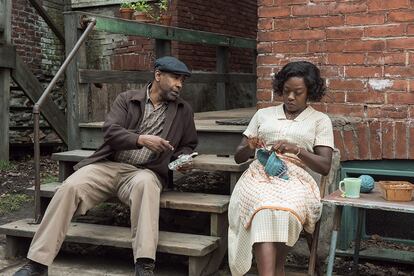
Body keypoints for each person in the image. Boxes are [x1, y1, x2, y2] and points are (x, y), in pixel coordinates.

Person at [14, 56, 198, 276]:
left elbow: (188, 144)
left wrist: (184, 160)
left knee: (147, 186)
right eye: (175, 78)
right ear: (158, 75)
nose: (180, 84)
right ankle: (37, 264)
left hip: (143, 172)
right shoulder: (127, 99)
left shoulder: (183, 110)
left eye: (182, 80)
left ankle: (144, 265)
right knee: (69, 187)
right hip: (108, 166)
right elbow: (110, 131)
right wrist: (141, 139)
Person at [228, 61, 334, 276]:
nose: (291, 97)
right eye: (286, 92)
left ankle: (277, 268)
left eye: (298, 92)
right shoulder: (263, 114)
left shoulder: (319, 120)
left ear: (310, 92)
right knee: (264, 208)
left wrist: (297, 149)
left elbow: (324, 166)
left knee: (283, 209)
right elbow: (238, 157)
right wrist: (249, 147)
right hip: (258, 175)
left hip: (294, 179)